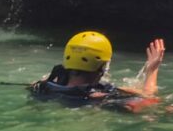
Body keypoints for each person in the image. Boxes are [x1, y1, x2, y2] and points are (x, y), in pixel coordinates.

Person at [29, 31, 166, 113]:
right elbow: (150, 98)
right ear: (102, 66)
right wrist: (152, 70)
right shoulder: (101, 98)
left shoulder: (42, 86)